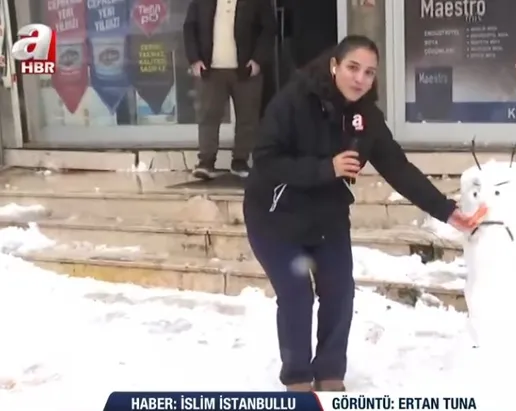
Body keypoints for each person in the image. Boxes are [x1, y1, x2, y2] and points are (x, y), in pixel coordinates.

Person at [242, 35, 482, 392]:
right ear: (334, 65)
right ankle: (297, 379)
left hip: (327, 217)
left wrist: (447, 211)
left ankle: (330, 375)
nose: (360, 79)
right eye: (353, 68)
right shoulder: (293, 101)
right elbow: (265, 160)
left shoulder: (366, 117)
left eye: (369, 72)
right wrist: (326, 168)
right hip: (275, 216)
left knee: (339, 292)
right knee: (296, 295)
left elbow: (398, 168)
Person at [182, 0, 275, 180]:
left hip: (246, 70)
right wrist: (194, 60)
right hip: (210, 70)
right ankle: (206, 162)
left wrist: (258, 60)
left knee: (248, 118)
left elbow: (268, 29)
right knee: (208, 116)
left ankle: (240, 160)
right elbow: (190, 28)